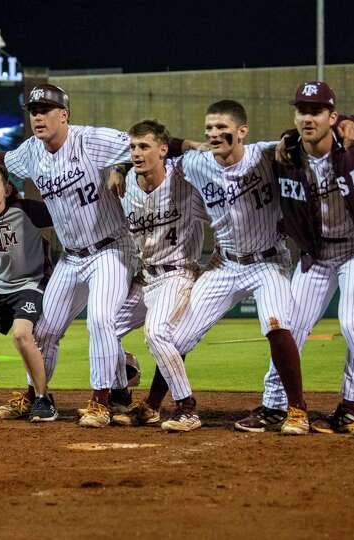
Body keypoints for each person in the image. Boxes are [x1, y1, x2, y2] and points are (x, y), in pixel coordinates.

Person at [0, 84, 143, 428]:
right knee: (43, 330)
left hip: (110, 248)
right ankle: (36, 395)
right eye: (33, 112)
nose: (38, 117)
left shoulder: (89, 140)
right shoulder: (30, 152)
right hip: (71, 258)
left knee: (100, 320)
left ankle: (102, 401)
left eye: (45, 110)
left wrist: (121, 168)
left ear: (64, 115)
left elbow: (140, 145)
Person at [170, 100, 309, 435]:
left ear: (242, 131)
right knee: (175, 338)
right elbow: (164, 146)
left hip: (269, 262)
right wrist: (123, 167)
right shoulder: (198, 162)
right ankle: (168, 406)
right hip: (224, 264)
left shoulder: (263, 155)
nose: (215, 134)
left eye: (222, 128)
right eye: (210, 129)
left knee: (276, 323)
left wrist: (289, 140)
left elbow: (292, 142)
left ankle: (297, 410)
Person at [265, 81, 354, 439]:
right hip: (318, 255)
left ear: (333, 116)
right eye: (302, 111)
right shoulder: (287, 156)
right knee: (288, 326)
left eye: (316, 111)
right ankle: (275, 405)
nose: (308, 117)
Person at [110, 120, 211, 432]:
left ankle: (186, 407)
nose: (137, 153)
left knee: (156, 333)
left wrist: (192, 144)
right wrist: (118, 165)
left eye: (145, 146)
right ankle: (123, 389)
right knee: (104, 327)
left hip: (178, 274)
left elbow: (210, 165)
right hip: (145, 277)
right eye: (133, 147)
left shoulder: (185, 178)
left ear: (164, 150)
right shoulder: (124, 185)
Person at [0, 162, 57, 422]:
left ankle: (43, 399)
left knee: (21, 335)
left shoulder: (26, 210)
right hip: (0, 287)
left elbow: (65, 213)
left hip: (30, 284)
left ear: (7, 189)